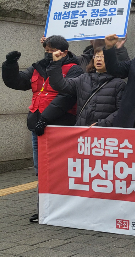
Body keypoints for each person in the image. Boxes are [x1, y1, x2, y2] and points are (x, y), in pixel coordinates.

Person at [2, 35, 82, 223]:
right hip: (37, 126)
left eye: (51, 51)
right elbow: (17, 82)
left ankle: (63, 208)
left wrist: (46, 118)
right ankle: (45, 209)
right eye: (46, 51)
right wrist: (10, 65)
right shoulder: (38, 67)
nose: (47, 55)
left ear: (63, 52)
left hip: (60, 125)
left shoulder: (74, 69)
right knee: (41, 170)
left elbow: (67, 97)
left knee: (60, 169)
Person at [47, 45, 126, 128]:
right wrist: (55, 63)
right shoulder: (83, 78)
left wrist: (102, 124)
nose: (99, 59)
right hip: (82, 131)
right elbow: (60, 85)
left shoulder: (119, 84)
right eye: (96, 56)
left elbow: (122, 110)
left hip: (103, 134)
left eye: (103, 56)